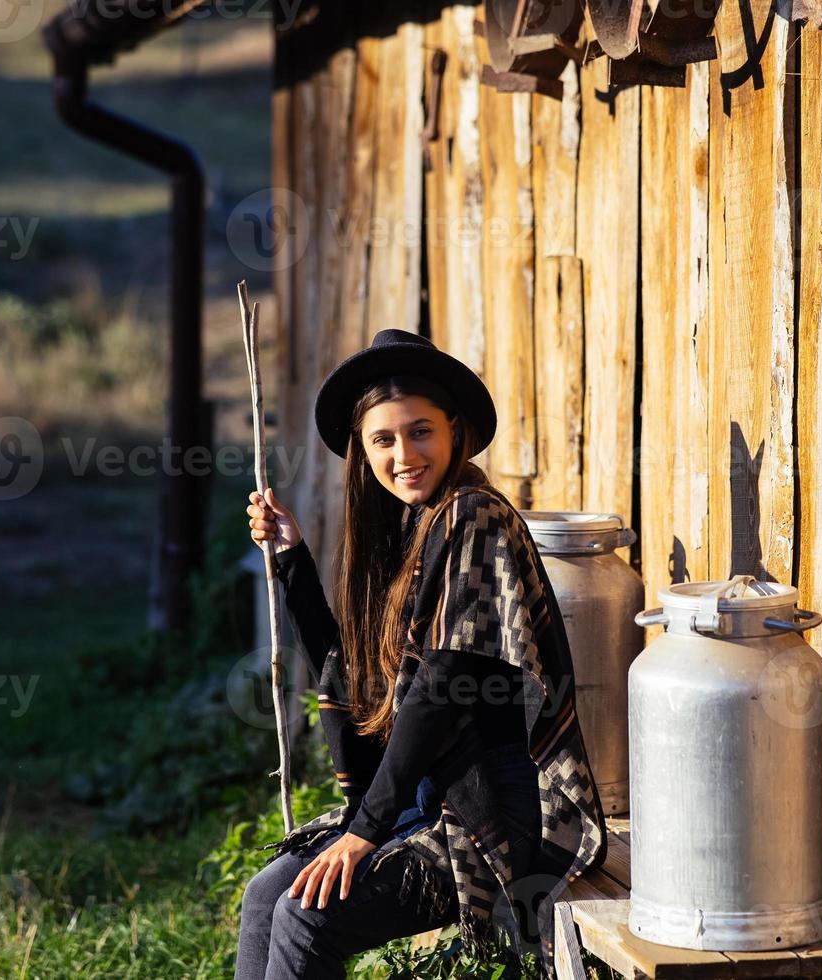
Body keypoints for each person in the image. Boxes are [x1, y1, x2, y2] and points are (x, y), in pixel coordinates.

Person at [235, 329, 607, 980]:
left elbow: (443, 687)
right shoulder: (410, 533)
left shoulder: (474, 517)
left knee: (306, 914)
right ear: (362, 451)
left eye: (419, 432)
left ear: (453, 431)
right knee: (268, 893)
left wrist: (366, 830)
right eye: (382, 439)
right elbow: (357, 682)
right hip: (426, 797)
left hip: (491, 807)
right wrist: (292, 562)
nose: (403, 453)